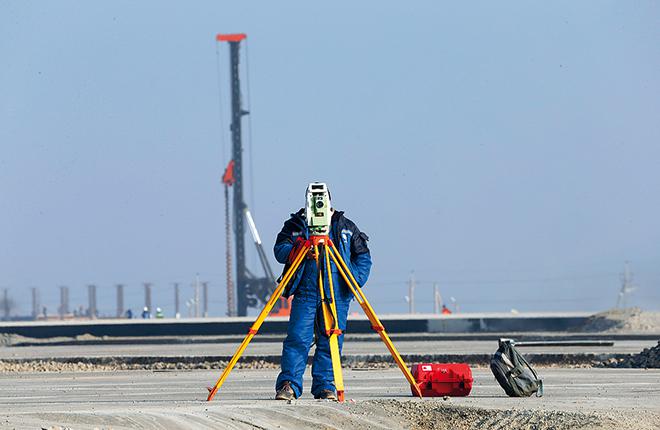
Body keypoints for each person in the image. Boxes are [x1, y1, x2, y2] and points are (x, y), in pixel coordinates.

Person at [274, 184, 372, 401]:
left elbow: (363, 257)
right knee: (298, 339)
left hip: (336, 294)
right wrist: (300, 248)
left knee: (331, 340)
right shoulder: (296, 225)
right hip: (306, 293)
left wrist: (353, 279)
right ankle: (289, 385)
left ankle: (325, 386)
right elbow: (279, 250)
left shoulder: (344, 226)